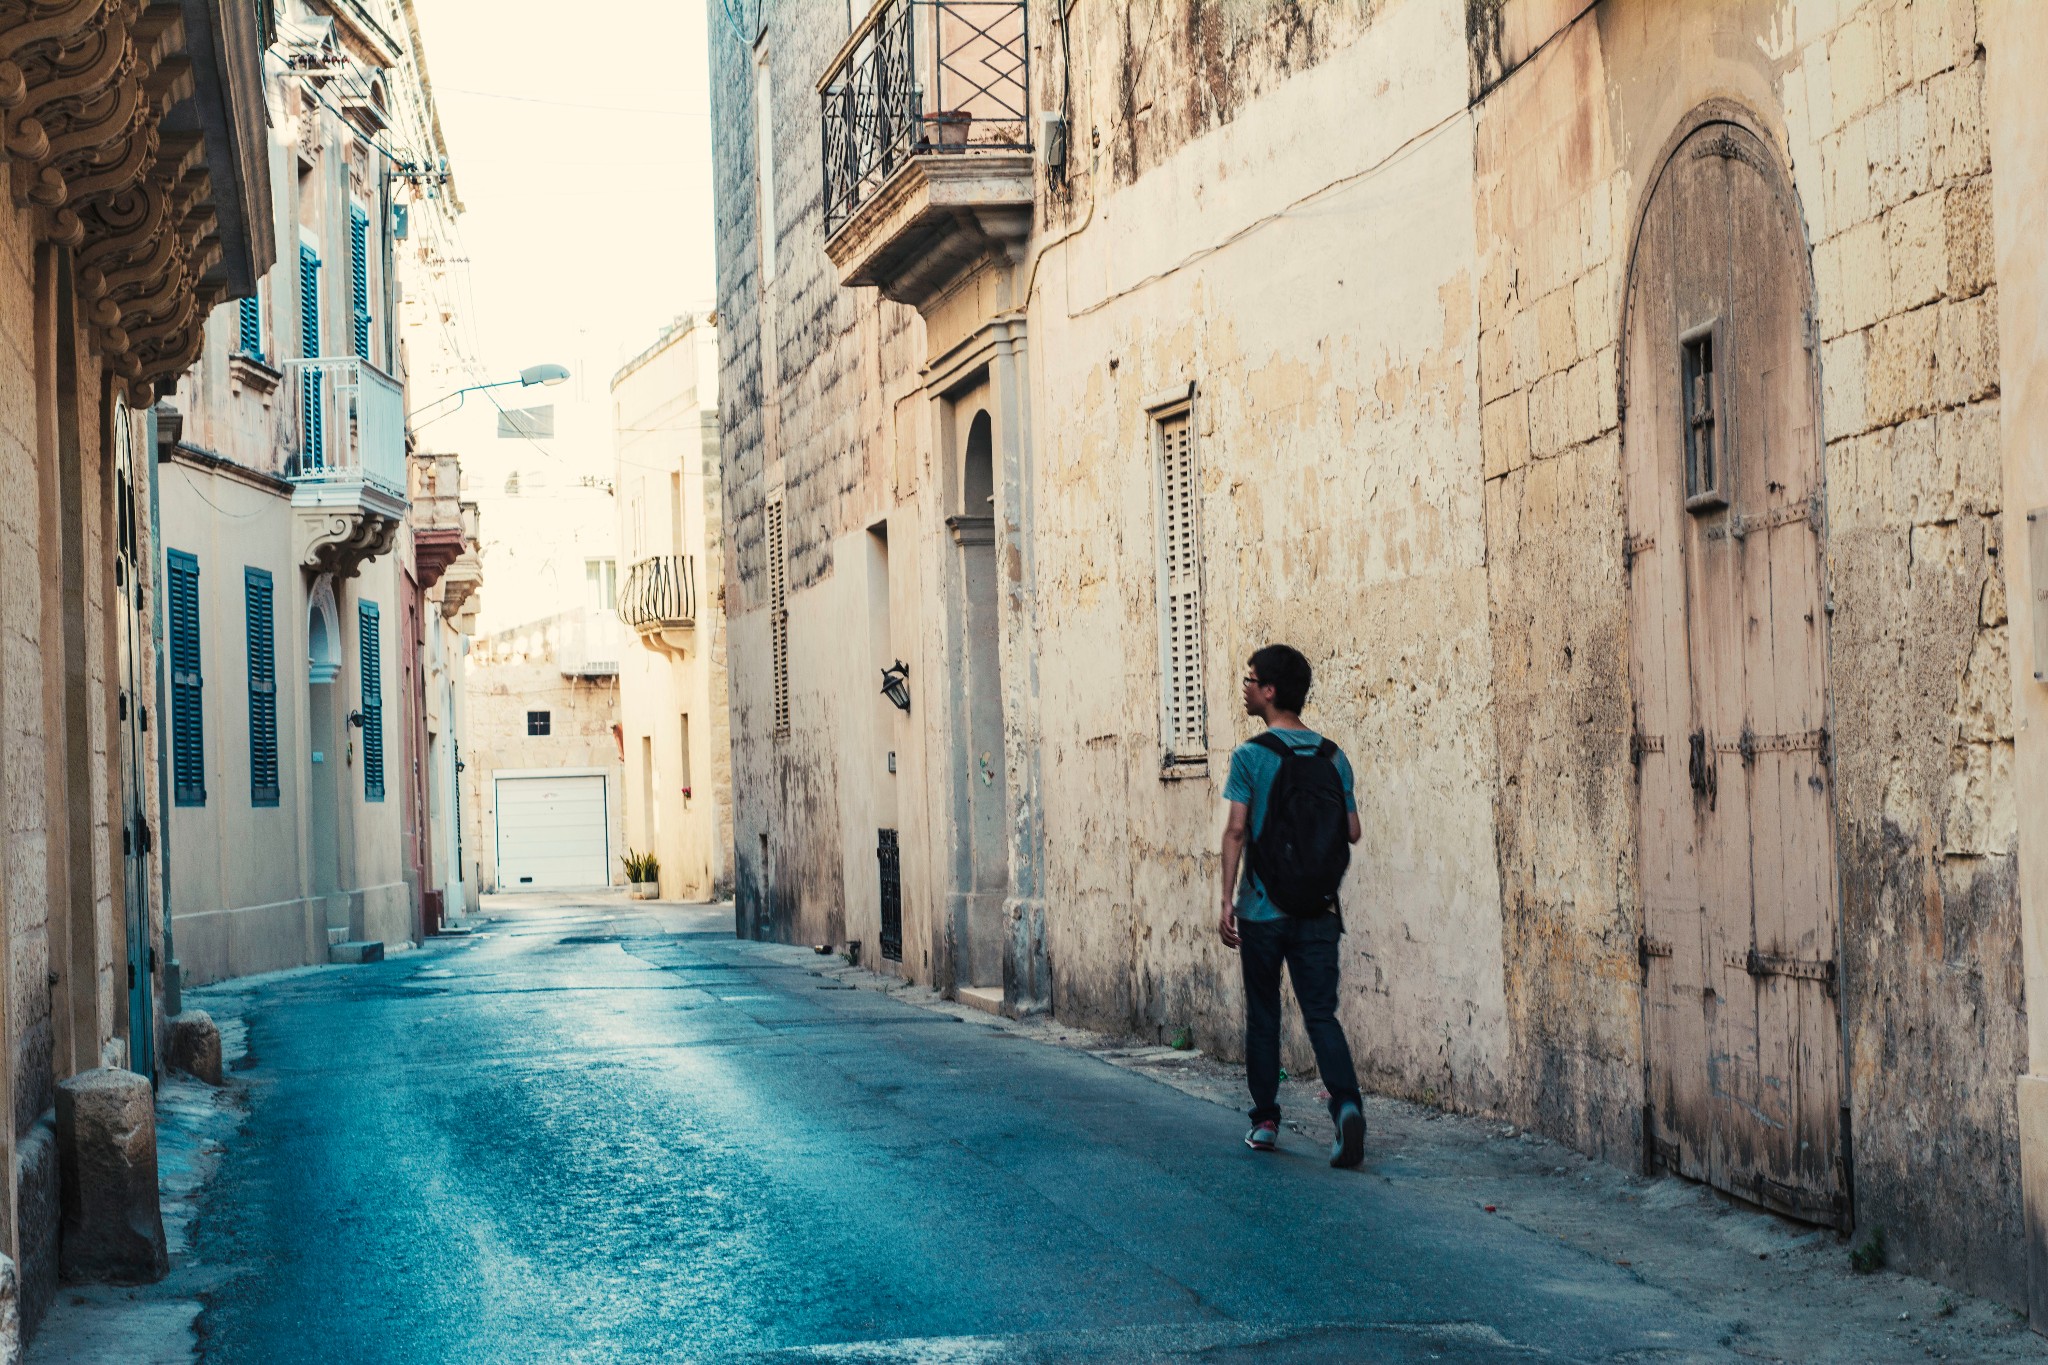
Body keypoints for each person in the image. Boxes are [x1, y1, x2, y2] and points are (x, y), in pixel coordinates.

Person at [1217, 644, 1366, 1168]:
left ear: (1271, 691)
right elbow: (1352, 830)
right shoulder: (1333, 756)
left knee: (1265, 1015)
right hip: (1320, 912)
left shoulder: (1249, 757)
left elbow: (1236, 831)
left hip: (1263, 911)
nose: (1246, 686)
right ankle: (1346, 1106)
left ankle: (1264, 1121)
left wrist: (1225, 901)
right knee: (1321, 1014)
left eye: (1251, 679)